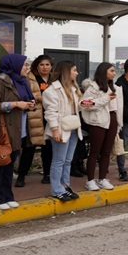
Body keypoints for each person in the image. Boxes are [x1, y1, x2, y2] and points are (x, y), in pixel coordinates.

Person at [0, 54, 35, 210]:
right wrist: (16, 104)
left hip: (19, 130)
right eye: (25, 65)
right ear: (14, 65)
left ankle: (7, 195)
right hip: (2, 130)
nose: (27, 68)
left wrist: (30, 104)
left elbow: (25, 100)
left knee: (9, 165)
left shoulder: (22, 81)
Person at [42, 60, 85, 201]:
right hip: (60, 128)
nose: (77, 73)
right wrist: (55, 130)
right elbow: (50, 112)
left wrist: (85, 103)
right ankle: (56, 189)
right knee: (58, 160)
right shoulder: (52, 90)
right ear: (67, 72)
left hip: (72, 127)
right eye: (74, 70)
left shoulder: (72, 89)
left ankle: (65, 186)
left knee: (68, 160)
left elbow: (76, 108)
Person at [81, 62, 123, 191]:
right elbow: (85, 104)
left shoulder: (115, 87)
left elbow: (119, 107)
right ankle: (90, 180)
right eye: (111, 71)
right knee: (95, 151)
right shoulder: (92, 88)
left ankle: (102, 178)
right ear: (104, 71)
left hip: (113, 119)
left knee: (107, 152)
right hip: (98, 121)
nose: (114, 73)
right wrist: (105, 99)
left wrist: (119, 123)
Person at [15, 55, 51, 187]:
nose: (45, 67)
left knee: (48, 148)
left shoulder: (54, 79)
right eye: (42, 64)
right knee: (29, 148)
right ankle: (21, 175)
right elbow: (25, 94)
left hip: (49, 117)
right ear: (37, 66)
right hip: (34, 117)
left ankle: (47, 174)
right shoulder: (29, 78)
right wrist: (39, 98)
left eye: (47, 64)